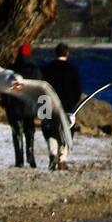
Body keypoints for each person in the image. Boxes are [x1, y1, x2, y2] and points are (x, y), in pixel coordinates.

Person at [41, 42, 83, 171]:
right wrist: (73, 105)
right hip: (67, 105)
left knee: (48, 129)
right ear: (67, 53)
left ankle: (52, 153)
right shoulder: (73, 70)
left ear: (56, 53)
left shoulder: (45, 69)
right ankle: (62, 159)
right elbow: (78, 91)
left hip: (48, 103)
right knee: (66, 130)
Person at [1, 43, 41, 168]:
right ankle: (31, 157)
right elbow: (40, 88)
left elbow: (4, 87)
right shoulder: (35, 70)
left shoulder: (11, 69)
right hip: (30, 106)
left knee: (17, 132)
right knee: (30, 131)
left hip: (14, 106)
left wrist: (4, 102)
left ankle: (19, 160)